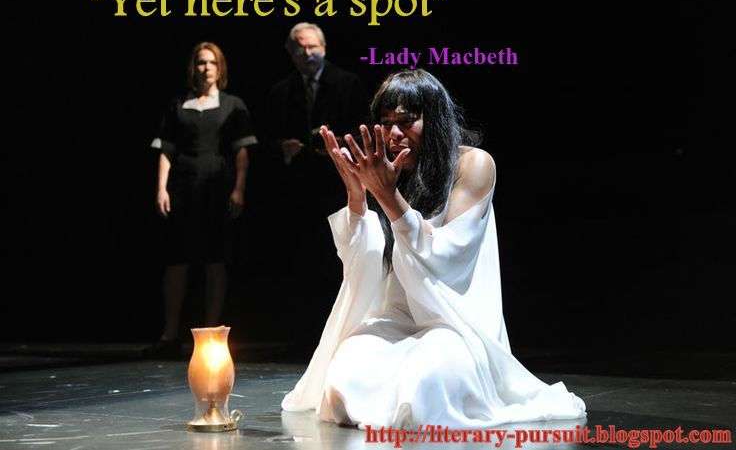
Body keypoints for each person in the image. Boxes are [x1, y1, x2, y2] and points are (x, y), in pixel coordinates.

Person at [281, 69, 586, 429]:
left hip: (452, 324)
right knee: (343, 383)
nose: (394, 134)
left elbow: (445, 255)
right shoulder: (386, 169)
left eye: (406, 121)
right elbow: (365, 260)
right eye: (386, 123)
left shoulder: (473, 165)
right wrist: (357, 194)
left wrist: (387, 195)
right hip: (396, 317)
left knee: (422, 388)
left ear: (435, 119)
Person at [146, 42, 257, 359]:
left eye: (212, 63)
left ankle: (210, 335)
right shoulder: (178, 105)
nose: (206, 68)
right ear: (193, 68)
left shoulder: (233, 105)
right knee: (176, 259)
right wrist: (161, 188)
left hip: (216, 185)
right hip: (182, 185)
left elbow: (242, 152)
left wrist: (239, 188)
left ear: (220, 69)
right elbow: (166, 150)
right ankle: (169, 334)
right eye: (201, 63)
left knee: (214, 258)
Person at [264, 22, 368, 353]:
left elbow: (363, 130)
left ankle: (339, 337)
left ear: (324, 48)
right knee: (299, 261)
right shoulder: (280, 91)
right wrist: (283, 148)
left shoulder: (348, 83)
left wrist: (335, 147)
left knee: (335, 261)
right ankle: (301, 337)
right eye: (300, 48)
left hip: (337, 187)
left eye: (313, 47)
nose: (307, 53)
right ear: (290, 52)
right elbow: (265, 140)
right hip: (296, 191)